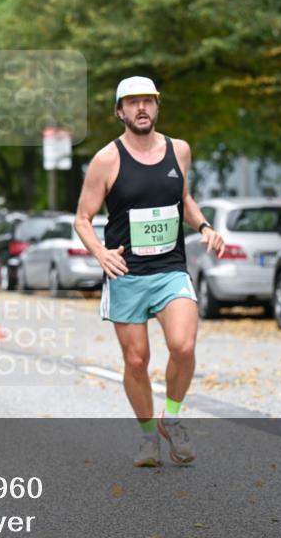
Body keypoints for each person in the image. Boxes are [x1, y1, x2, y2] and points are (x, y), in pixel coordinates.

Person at [74, 76, 225, 468]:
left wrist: (205, 226)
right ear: (120, 111)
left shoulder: (179, 150)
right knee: (137, 361)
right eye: (132, 102)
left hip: (170, 269)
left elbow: (184, 198)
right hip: (126, 273)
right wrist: (100, 253)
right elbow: (82, 218)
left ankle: (170, 418)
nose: (141, 108)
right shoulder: (107, 159)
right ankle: (146, 437)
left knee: (183, 346)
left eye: (148, 101)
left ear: (157, 106)